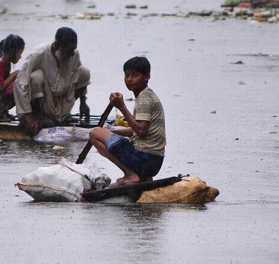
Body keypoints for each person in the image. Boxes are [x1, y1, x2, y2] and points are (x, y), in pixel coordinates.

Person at [88, 56, 165, 187]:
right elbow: (135, 130)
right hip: (153, 162)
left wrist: (121, 106)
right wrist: (110, 132)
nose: (129, 79)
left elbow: (141, 130)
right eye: (127, 75)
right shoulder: (146, 95)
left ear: (147, 77)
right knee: (102, 133)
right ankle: (141, 176)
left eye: (135, 75)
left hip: (144, 159)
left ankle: (130, 174)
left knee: (95, 133)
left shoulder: (145, 97)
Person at [13, 27, 90, 135]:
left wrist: (83, 102)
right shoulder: (39, 53)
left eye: (73, 50)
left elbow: (81, 78)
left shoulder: (74, 54)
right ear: (57, 45)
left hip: (62, 101)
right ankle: (39, 116)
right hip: (43, 101)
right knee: (36, 77)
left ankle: (63, 116)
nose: (72, 54)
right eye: (69, 50)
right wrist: (28, 115)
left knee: (84, 72)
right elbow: (20, 82)